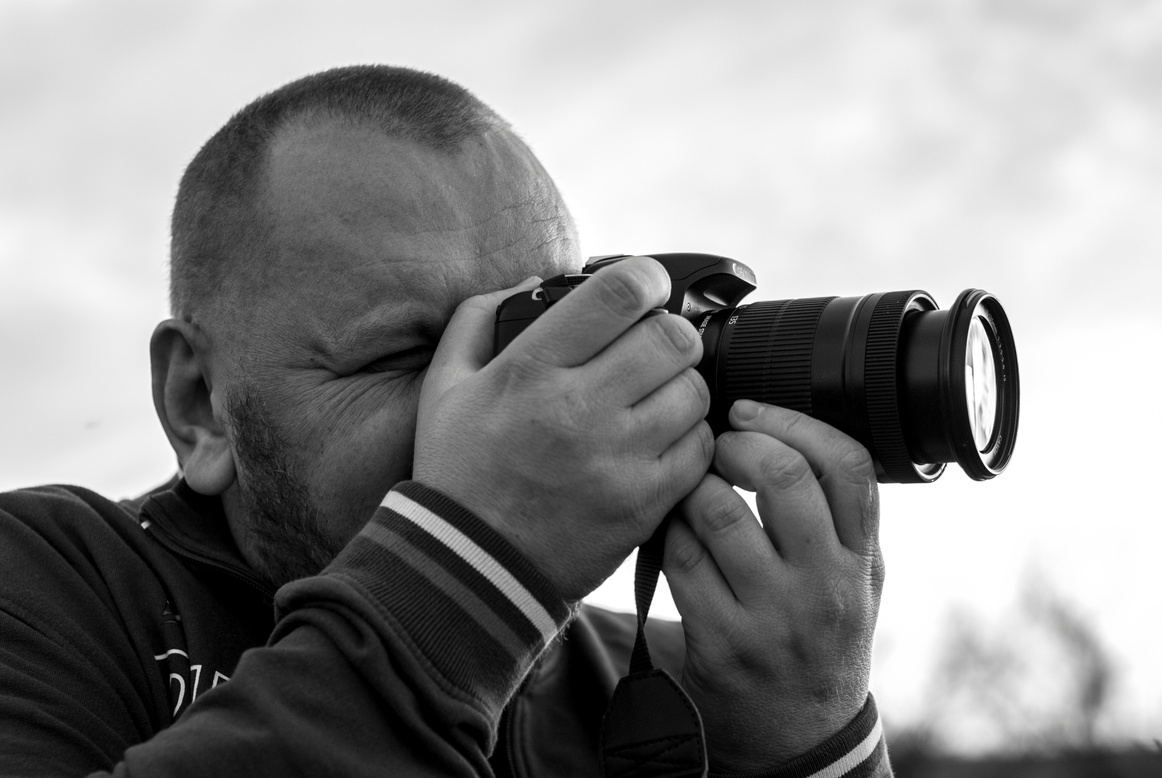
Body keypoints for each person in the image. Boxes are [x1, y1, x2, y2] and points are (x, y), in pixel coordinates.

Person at [0, 65, 890, 776]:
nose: (506, 407)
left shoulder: (668, 682)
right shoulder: (44, 588)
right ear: (200, 407)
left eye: (536, 337)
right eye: (406, 357)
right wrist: (471, 575)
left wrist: (815, 742)